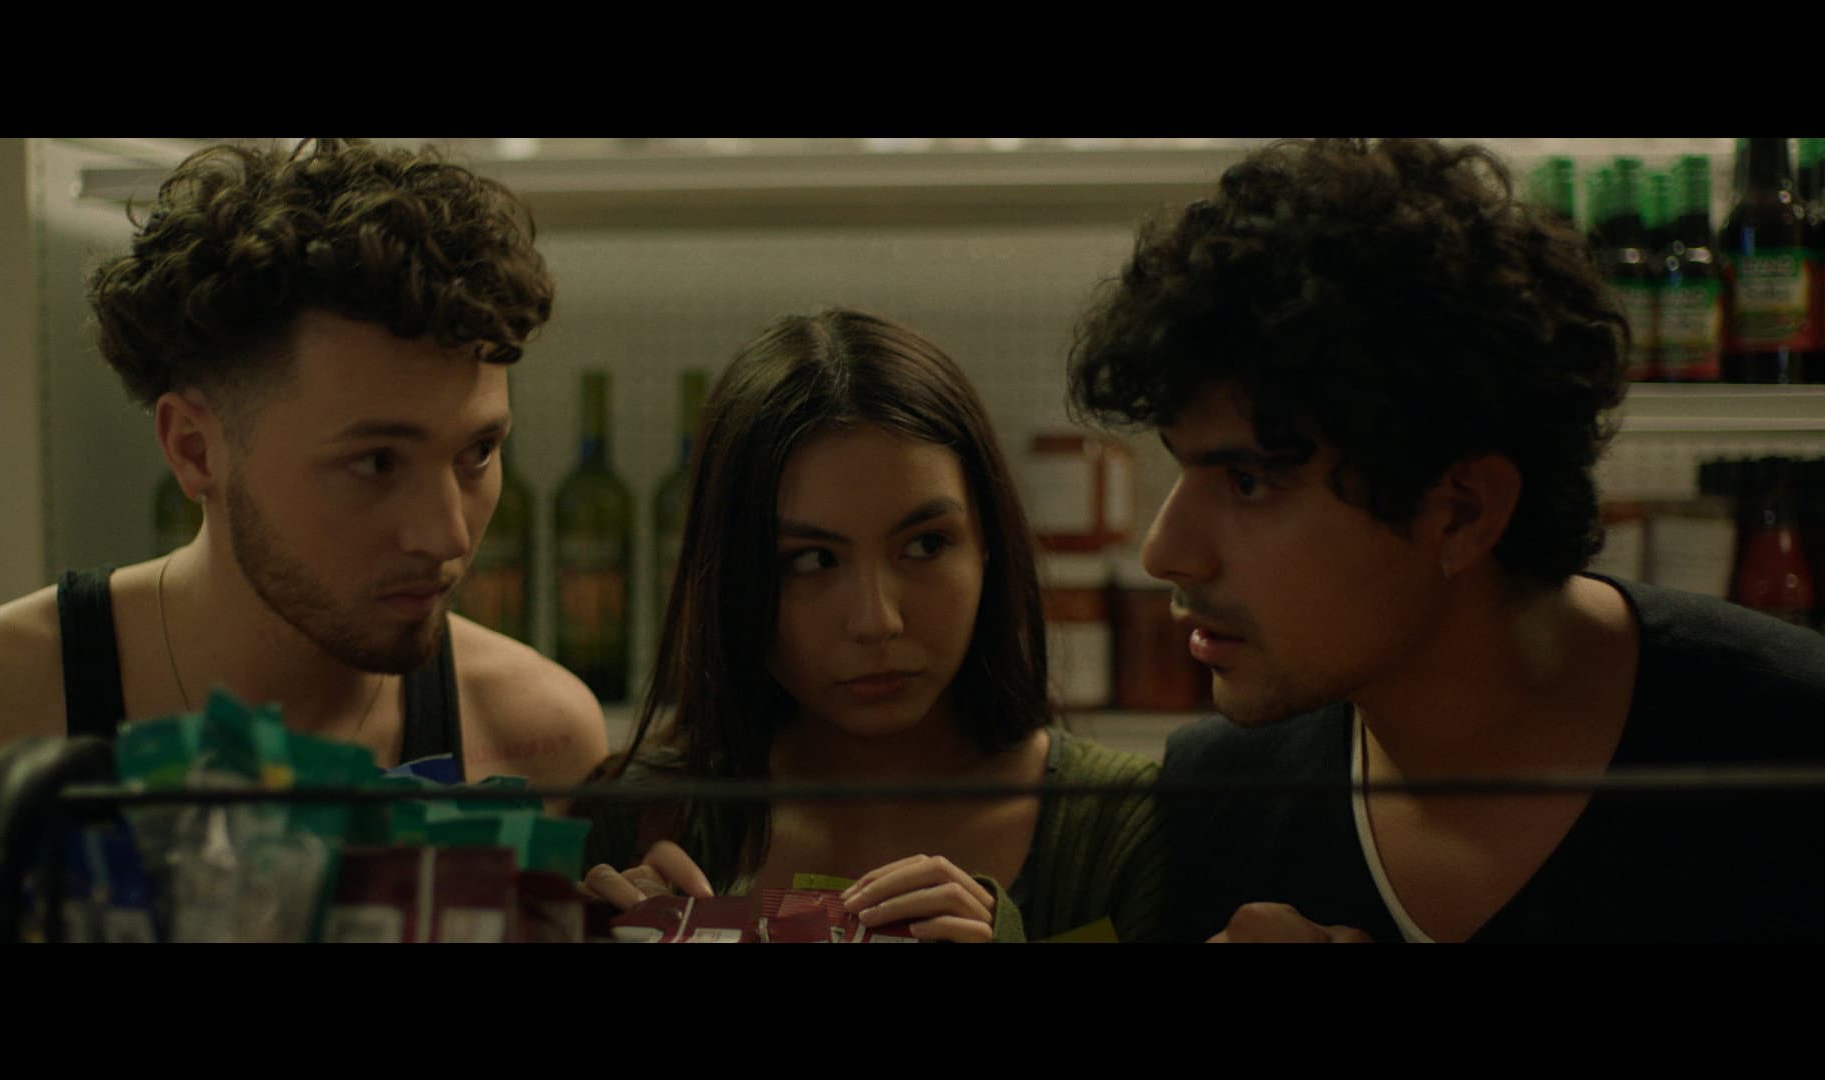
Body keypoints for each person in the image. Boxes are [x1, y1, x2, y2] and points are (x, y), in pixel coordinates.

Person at [1067, 137, 1825, 943]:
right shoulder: (1216, 797)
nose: (1165, 553)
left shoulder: (1788, 743)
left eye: (1248, 482)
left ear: (1462, 512)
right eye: (1181, 469)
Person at [0, 139, 608, 813]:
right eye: (375, 462)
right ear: (193, 449)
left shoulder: (540, 741)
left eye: (478, 451)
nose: (447, 534)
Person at [575, 307, 1163, 942]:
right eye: (811, 560)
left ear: (989, 544)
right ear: (731, 578)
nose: (876, 620)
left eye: (925, 545)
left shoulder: (1120, 826)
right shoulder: (637, 819)